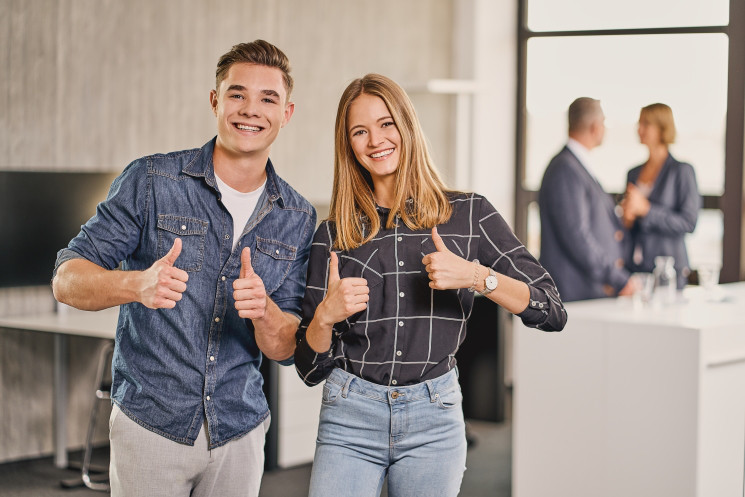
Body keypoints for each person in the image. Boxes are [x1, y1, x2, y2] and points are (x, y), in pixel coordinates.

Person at [51, 40, 316, 497]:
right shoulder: (152, 181)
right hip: (151, 425)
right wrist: (137, 284)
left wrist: (264, 311)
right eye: (237, 94)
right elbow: (66, 279)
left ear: (286, 113)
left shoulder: (297, 215)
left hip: (239, 431)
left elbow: (285, 346)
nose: (250, 109)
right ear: (215, 100)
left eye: (267, 98)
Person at [294, 74, 566, 497]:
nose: (375, 140)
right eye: (359, 131)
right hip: (350, 415)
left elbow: (551, 310)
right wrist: (326, 317)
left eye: (386, 124)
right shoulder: (332, 234)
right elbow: (309, 368)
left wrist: (478, 277)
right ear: (347, 144)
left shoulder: (468, 214)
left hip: (433, 418)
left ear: (406, 126)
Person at [538, 97, 634, 302]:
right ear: (595, 127)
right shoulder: (565, 170)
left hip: (585, 292)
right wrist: (617, 278)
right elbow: (577, 236)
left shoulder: (574, 165)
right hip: (574, 294)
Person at [620, 103, 700, 288]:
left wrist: (646, 210)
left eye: (646, 123)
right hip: (637, 268)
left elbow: (689, 222)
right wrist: (627, 218)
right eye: (639, 123)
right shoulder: (633, 173)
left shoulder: (682, 171)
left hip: (670, 271)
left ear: (662, 128)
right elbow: (630, 226)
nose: (639, 129)